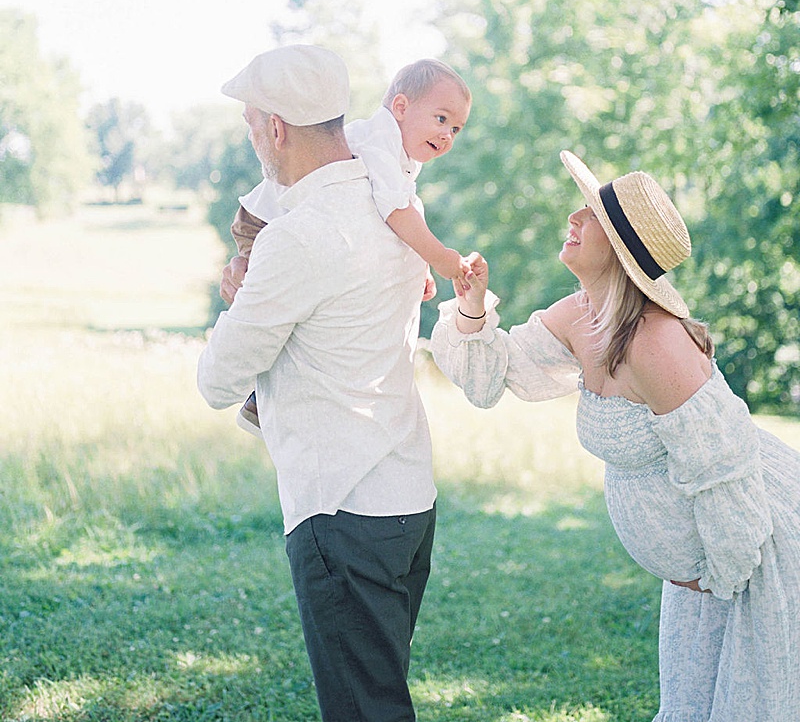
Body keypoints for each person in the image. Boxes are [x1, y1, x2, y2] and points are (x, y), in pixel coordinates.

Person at [430, 149, 800, 722]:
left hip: (754, 550)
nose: (573, 220)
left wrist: (724, 573)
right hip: (698, 575)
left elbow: (722, 468)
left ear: (623, 248)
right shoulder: (580, 316)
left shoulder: (656, 343)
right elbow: (490, 377)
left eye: (590, 215)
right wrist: (472, 307)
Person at [197, 44, 439, 722]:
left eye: (251, 125)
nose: (253, 142)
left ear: (276, 128)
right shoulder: (391, 201)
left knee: (366, 711)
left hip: (342, 511)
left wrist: (239, 301)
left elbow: (218, 380)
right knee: (380, 694)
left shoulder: (297, 236)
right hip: (408, 499)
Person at [223, 56, 473, 435]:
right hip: (262, 219)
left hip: (282, 217)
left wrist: (417, 264)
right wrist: (441, 258)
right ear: (401, 108)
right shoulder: (379, 142)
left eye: (456, 129)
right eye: (441, 120)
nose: (447, 136)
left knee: (315, 311)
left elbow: (398, 213)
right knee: (285, 309)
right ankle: (260, 399)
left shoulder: (402, 154)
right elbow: (396, 211)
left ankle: (262, 401)